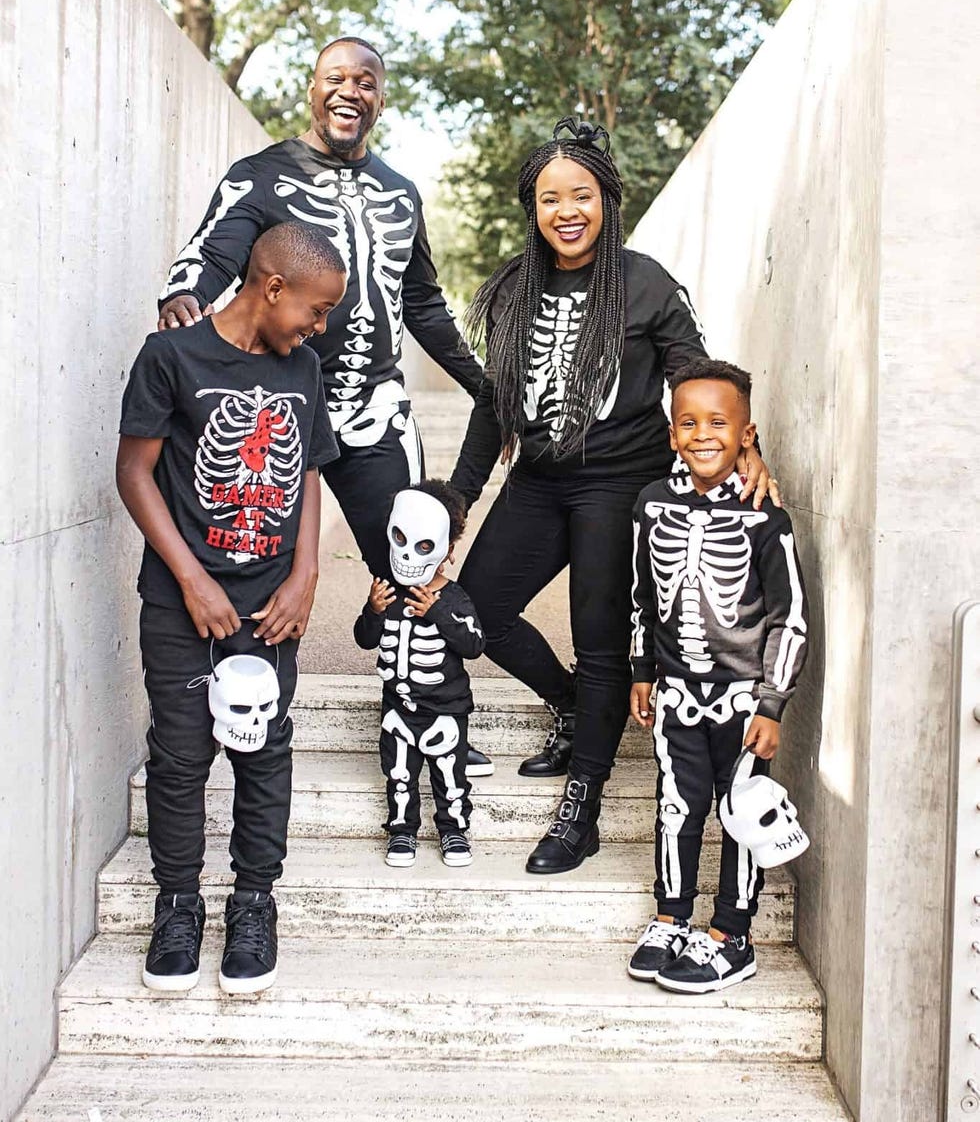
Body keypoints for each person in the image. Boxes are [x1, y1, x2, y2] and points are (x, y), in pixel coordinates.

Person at [156, 36, 492, 777]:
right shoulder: (262, 175)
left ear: (380, 95)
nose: (351, 91)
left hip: (377, 405)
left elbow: (424, 304)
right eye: (336, 78)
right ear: (312, 89)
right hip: (282, 399)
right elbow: (214, 252)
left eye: (366, 80)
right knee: (259, 570)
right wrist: (185, 294)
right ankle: (234, 722)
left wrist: (482, 382)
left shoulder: (403, 193)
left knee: (414, 557)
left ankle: (428, 715)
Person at [450, 117, 776, 875]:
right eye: (550, 199)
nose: (567, 211)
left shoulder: (646, 282)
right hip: (534, 481)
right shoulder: (512, 290)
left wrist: (745, 450)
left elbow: (697, 378)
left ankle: (584, 802)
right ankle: (572, 705)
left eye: (582, 196)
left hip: (619, 485)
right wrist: (457, 499)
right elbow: (493, 407)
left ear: (608, 200)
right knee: (475, 612)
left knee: (602, 641)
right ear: (532, 208)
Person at [116, 222, 345, 994]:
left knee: (264, 748)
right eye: (314, 312)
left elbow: (309, 471)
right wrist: (189, 577)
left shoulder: (304, 368)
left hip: (271, 599)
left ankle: (254, 902)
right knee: (180, 757)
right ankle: (178, 903)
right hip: (185, 599)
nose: (318, 328)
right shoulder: (170, 357)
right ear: (272, 288)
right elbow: (135, 473)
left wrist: (307, 572)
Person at [627, 357, 808, 992]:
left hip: (741, 700)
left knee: (739, 811)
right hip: (677, 694)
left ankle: (733, 934)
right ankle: (672, 915)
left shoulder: (765, 518)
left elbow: (791, 619)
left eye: (719, 423)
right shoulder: (651, 506)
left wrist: (772, 704)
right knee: (677, 807)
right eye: (689, 423)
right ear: (673, 434)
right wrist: (641, 670)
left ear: (746, 434)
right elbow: (642, 596)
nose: (704, 435)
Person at [353, 481, 485, 868]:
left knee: (450, 779)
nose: (411, 556)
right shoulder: (389, 592)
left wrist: (438, 613)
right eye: (402, 540)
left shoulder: (455, 597)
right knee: (398, 777)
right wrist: (373, 611)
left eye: (426, 547)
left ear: (447, 551)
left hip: (445, 712)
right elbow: (365, 639)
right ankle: (402, 832)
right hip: (398, 711)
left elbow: (474, 643)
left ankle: (454, 830)